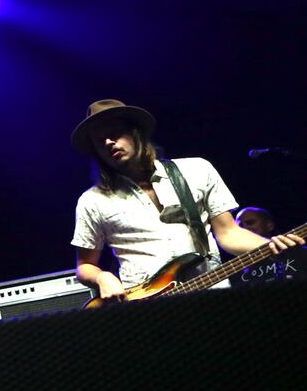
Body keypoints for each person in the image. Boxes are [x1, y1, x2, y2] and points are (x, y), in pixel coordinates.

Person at [69, 99, 303, 302]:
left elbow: (229, 233)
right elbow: (85, 266)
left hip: (212, 296)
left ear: (136, 132)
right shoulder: (92, 201)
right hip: (145, 307)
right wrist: (102, 277)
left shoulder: (197, 170)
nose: (108, 142)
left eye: (115, 133)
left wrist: (270, 246)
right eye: (100, 140)